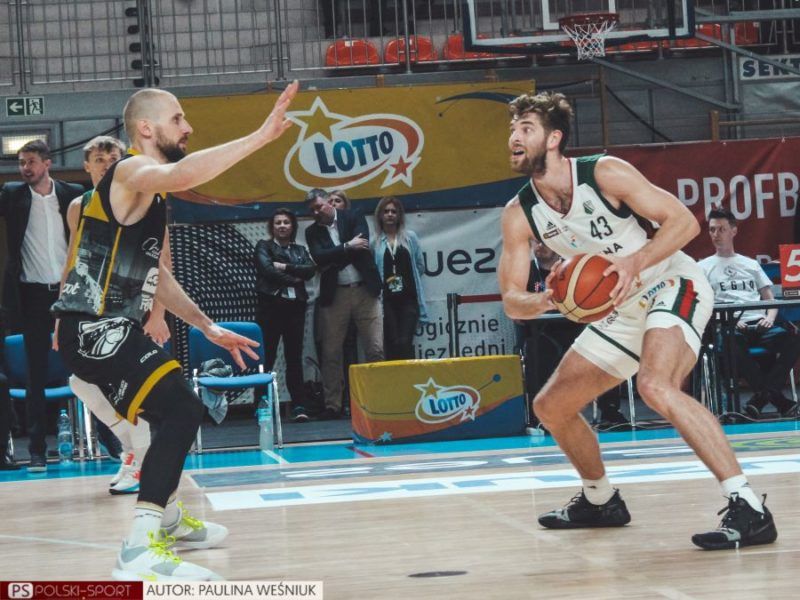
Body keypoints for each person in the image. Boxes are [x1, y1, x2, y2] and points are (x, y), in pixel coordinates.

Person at [497, 91, 776, 550]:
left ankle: (749, 506)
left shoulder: (603, 172)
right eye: (512, 130)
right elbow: (511, 300)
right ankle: (600, 500)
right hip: (619, 308)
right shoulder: (518, 214)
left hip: (669, 281)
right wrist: (548, 298)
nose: (514, 137)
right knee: (551, 406)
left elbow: (683, 223)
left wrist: (634, 262)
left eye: (526, 129)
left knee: (655, 385)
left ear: (554, 138)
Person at [52, 80, 299, 581]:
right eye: (178, 119)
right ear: (146, 128)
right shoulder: (130, 170)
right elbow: (182, 172)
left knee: (161, 422)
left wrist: (208, 325)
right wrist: (259, 137)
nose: (187, 127)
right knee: (183, 408)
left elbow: (157, 275)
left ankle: (165, 519)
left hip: (106, 329)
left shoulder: (149, 197)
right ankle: (138, 551)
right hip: (95, 327)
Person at [55, 135, 158, 495]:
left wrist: (158, 314)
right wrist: (60, 317)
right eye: (98, 159)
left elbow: (162, 258)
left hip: (131, 301)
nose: (105, 164)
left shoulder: (139, 197)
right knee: (81, 382)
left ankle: (142, 464)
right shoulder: (78, 206)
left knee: (131, 386)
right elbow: (72, 261)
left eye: (112, 158)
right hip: (88, 304)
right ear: (87, 166)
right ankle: (131, 452)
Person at [0, 139, 83, 472]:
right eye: (21, 162)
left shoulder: (72, 194)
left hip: (69, 294)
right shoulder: (12, 195)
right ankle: (37, 450)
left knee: (87, 364)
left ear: (47, 163)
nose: (25, 168)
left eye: (31, 161)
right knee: (35, 374)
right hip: (33, 295)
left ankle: (106, 439)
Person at [698, 207, 800, 419]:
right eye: (712, 229)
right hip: (730, 327)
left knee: (794, 339)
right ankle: (776, 399)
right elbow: (704, 305)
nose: (716, 234)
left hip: (760, 324)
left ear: (733, 231)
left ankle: (761, 397)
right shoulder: (703, 267)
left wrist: (769, 318)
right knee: (730, 341)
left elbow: (769, 298)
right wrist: (728, 321)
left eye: (721, 229)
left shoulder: (750, 264)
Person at [522, 239, 627, 429]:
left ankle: (610, 411)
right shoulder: (526, 272)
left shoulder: (573, 268)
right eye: (535, 243)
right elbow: (518, 312)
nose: (539, 247)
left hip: (578, 327)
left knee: (604, 347)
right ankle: (540, 418)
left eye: (543, 242)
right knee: (537, 352)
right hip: (544, 331)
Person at [305, 188, 383, 419]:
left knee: (375, 349)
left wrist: (333, 256)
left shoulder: (353, 216)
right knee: (331, 352)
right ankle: (333, 405)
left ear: (329, 203)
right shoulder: (312, 231)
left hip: (365, 291)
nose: (316, 212)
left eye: (319, 207)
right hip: (335, 294)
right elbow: (319, 257)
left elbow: (363, 244)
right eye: (312, 210)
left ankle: (377, 400)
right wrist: (348, 246)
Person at [254, 208, 316, 423]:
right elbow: (267, 270)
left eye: (286, 222)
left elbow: (310, 270)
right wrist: (295, 278)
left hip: (295, 309)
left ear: (292, 227)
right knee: (266, 359)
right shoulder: (263, 246)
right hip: (270, 308)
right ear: (272, 227)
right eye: (278, 222)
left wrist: (286, 266)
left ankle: (299, 405)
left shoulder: (300, 249)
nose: (282, 226)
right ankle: (262, 405)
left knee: (294, 358)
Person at [373, 196, 428, 360]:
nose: (390, 214)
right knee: (392, 342)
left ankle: (408, 375)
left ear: (399, 215)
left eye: (393, 211)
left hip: (408, 299)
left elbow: (420, 266)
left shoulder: (410, 238)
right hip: (386, 301)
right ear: (380, 215)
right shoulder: (374, 242)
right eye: (386, 211)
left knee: (405, 342)